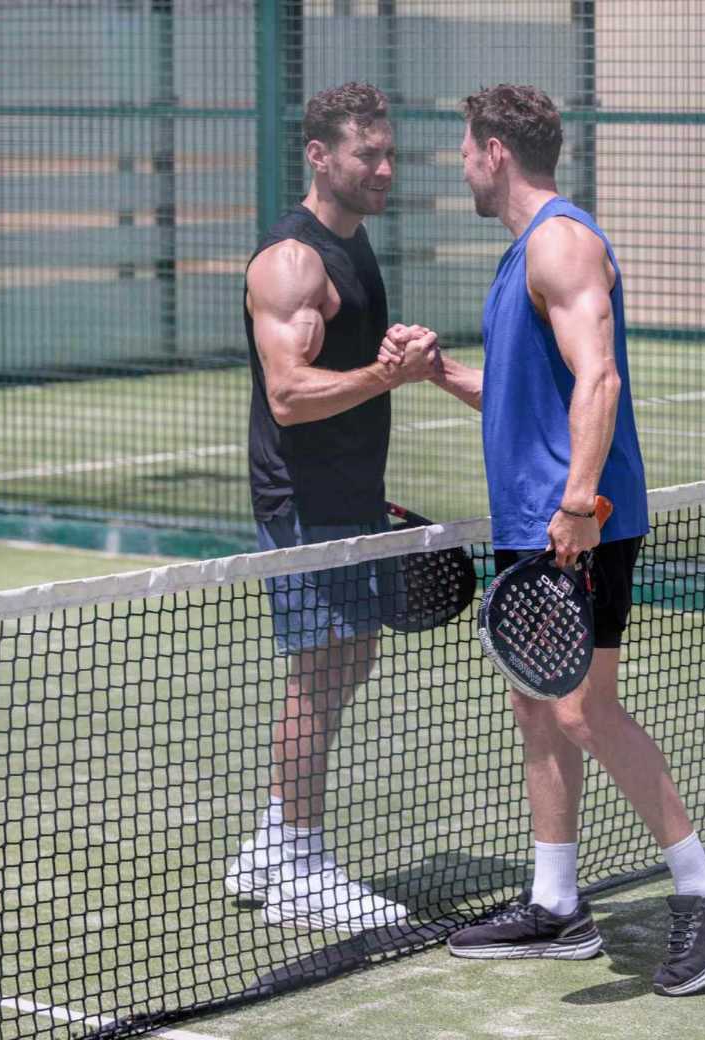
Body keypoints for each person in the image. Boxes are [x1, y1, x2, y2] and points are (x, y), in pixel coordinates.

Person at [401, 83, 705, 994]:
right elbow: (525, 394)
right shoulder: (523, 253)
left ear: (495, 152)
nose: (462, 167)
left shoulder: (560, 243)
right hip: (538, 522)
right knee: (538, 705)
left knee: (580, 710)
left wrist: (575, 504)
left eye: (465, 151)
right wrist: (438, 371)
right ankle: (556, 905)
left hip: (575, 526)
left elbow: (597, 378)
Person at [227, 82, 440, 935]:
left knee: (349, 660)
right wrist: (385, 376)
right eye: (367, 155)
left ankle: (271, 842)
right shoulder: (292, 261)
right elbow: (288, 395)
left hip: (350, 492)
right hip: (304, 499)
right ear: (319, 155)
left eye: (389, 154)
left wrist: (388, 354)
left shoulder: (353, 244)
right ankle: (301, 869)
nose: (384, 169)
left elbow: (340, 367)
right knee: (319, 678)